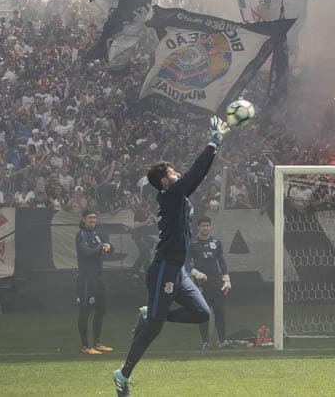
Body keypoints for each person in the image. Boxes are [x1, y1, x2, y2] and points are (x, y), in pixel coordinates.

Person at [114, 117, 230, 396]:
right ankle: (123, 374)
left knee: (202, 313)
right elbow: (196, 174)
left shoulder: (177, 197)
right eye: (173, 171)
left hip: (178, 271)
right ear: (165, 180)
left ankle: (153, 313)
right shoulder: (169, 196)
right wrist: (213, 142)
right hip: (164, 269)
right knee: (153, 329)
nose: (177, 173)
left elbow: (192, 177)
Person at [188, 216, 233, 350]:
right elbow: (186, 263)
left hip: (216, 283)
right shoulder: (193, 244)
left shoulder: (216, 242)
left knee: (220, 312)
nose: (205, 228)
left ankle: (222, 341)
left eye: (207, 225)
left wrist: (226, 279)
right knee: (203, 314)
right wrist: (195, 273)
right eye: (203, 226)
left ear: (210, 227)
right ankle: (205, 342)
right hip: (201, 285)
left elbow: (221, 260)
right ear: (198, 227)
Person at [75, 209, 114, 355]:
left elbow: (106, 250)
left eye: (94, 217)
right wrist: (100, 247)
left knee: (101, 309)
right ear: (83, 219)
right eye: (90, 218)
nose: (93, 220)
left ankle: (97, 343)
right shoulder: (81, 234)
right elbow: (85, 251)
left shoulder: (97, 234)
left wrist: (109, 247)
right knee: (85, 311)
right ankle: (85, 346)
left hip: (98, 278)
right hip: (86, 279)